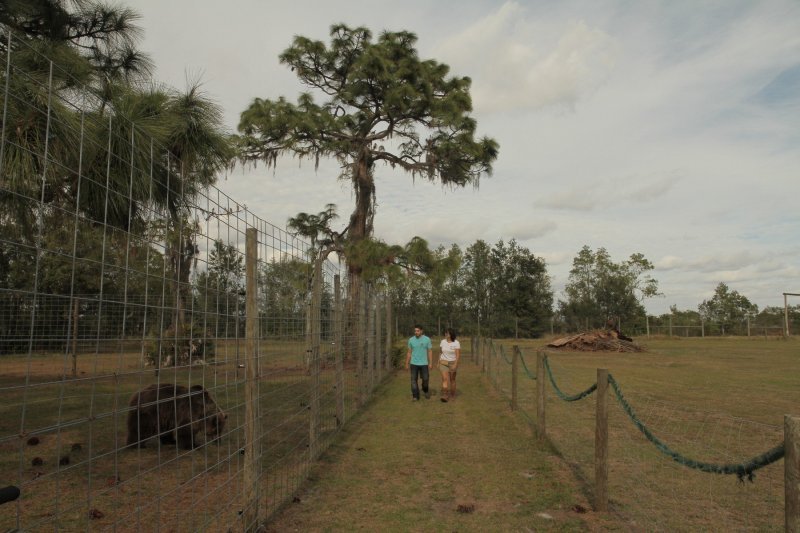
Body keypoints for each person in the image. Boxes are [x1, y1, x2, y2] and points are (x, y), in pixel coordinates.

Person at [406, 325, 432, 401]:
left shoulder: (427, 339)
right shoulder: (411, 340)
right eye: (415, 331)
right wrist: (406, 363)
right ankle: (415, 396)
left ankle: (425, 390)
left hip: (424, 363)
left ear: (421, 331)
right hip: (414, 363)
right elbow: (409, 352)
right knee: (413, 380)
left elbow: (430, 351)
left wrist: (430, 363)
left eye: (417, 331)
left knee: (426, 379)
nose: (416, 332)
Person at [438, 328, 461, 402]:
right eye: (445, 333)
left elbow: (457, 355)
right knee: (444, 379)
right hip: (443, 362)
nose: (446, 334)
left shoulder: (456, 343)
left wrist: (455, 364)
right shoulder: (442, 342)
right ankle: (445, 395)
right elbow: (440, 352)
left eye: (447, 333)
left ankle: (453, 394)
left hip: (452, 363)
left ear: (451, 334)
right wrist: (438, 362)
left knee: (452, 380)